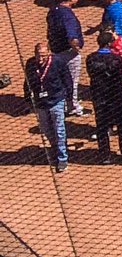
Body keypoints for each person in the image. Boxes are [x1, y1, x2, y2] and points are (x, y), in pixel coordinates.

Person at [84, 27, 122, 162]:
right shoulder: (115, 59)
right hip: (115, 95)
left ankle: (105, 155)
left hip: (99, 95)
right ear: (109, 44)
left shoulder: (90, 58)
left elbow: (91, 74)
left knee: (101, 125)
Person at [24, 42, 70, 173]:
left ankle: (62, 158)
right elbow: (27, 81)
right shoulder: (30, 64)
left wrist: (69, 98)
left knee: (59, 129)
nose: (40, 58)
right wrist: (28, 98)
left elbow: (67, 79)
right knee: (45, 128)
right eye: (38, 55)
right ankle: (55, 148)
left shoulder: (58, 62)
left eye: (43, 55)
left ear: (49, 53)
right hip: (40, 102)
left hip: (57, 99)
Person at [47, 0, 86, 117]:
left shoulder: (53, 10)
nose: (78, 0)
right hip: (68, 52)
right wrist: (76, 48)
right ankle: (73, 106)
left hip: (55, 51)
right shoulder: (68, 15)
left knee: (60, 79)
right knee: (72, 81)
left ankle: (62, 104)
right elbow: (72, 37)